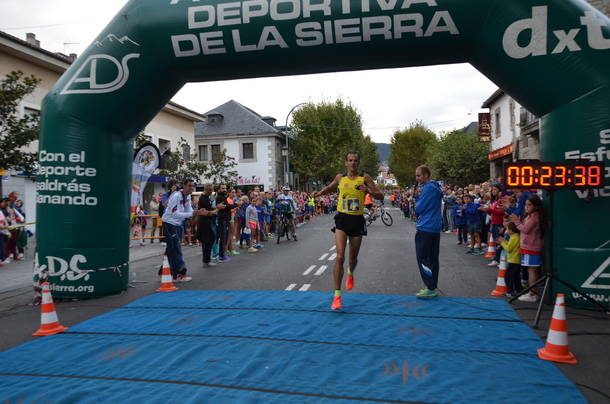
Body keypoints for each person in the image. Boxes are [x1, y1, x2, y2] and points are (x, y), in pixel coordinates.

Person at [312, 151, 383, 310]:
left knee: (352, 258)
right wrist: (318, 194)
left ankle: (350, 272)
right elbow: (329, 188)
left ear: (358, 163)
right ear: (346, 163)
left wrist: (368, 190)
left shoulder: (365, 178)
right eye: (350, 160)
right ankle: (337, 295)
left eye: (355, 161)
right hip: (342, 219)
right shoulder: (340, 178)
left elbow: (381, 196)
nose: (353, 163)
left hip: (357, 220)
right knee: (339, 256)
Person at [161, 179, 206, 281]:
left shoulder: (188, 196)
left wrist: (196, 212)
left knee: (171, 248)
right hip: (169, 223)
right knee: (176, 247)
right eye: (189, 185)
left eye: (193, 186)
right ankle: (179, 273)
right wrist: (193, 214)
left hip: (178, 223)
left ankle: (163, 270)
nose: (191, 188)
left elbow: (188, 209)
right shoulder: (176, 196)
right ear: (184, 186)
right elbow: (175, 214)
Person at [413, 165, 443, 298]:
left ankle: (430, 287)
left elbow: (419, 208)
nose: (417, 178)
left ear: (426, 175)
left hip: (425, 227)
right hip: (435, 228)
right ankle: (433, 286)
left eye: (418, 175)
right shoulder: (436, 187)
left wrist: (417, 199)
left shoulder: (428, 188)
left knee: (423, 258)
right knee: (433, 258)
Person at [510, 195, 544, 302]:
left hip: (531, 247)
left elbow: (525, 229)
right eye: (525, 204)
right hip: (527, 246)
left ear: (536, 206)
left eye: (529, 205)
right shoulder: (530, 215)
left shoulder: (535, 217)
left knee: (531, 270)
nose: (526, 207)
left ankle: (532, 294)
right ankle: (533, 292)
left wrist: (516, 221)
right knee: (531, 270)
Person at [197, 184, 219, 267]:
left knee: (209, 240)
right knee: (208, 241)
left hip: (206, 222)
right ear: (206, 189)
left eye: (212, 190)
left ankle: (206, 259)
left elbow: (210, 207)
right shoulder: (203, 199)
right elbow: (209, 213)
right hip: (204, 222)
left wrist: (215, 207)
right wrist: (218, 209)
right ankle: (207, 260)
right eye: (210, 190)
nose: (211, 192)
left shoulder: (206, 198)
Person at [497, 222, 522, 297]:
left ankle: (510, 291)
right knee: (516, 277)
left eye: (507, 229)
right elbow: (511, 246)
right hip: (516, 260)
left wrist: (502, 242)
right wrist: (505, 241)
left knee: (508, 277)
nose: (506, 231)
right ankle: (518, 290)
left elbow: (508, 249)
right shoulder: (515, 237)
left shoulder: (514, 237)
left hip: (513, 260)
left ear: (511, 230)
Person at [215, 184, 236, 263]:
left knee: (224, 237)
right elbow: (227, 206)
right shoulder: (220, 197)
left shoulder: (223, 197)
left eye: (225, 188)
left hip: (225, 220)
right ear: (219, 189)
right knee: (222, 238)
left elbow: (227, 207)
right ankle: (221, 256)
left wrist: (233, 205)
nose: (224, 189)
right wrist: (236, 204)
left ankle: (222, 254)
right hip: (222, 220)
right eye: (223, 188)